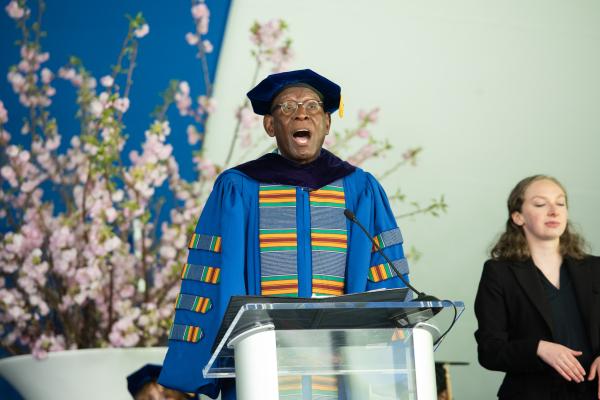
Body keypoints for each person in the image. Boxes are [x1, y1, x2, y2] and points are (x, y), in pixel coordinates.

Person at [157, 69, 411, 398]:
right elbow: (216, 279)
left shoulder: (360, 189)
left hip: (339, 368)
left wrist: (383, 345)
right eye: (287, 107)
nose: (301, 113)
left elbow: (386, 279)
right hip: (260, 365)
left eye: (312, 106)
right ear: (270, 125)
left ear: (327, 123)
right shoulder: (239, 188)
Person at [474, 175, 600, 399]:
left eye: (560, 203)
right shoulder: (499, 273)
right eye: (541, 204)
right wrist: (538, 349)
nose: (554, 211)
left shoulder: (595, 268)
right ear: (518, 217)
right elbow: (490, 351)